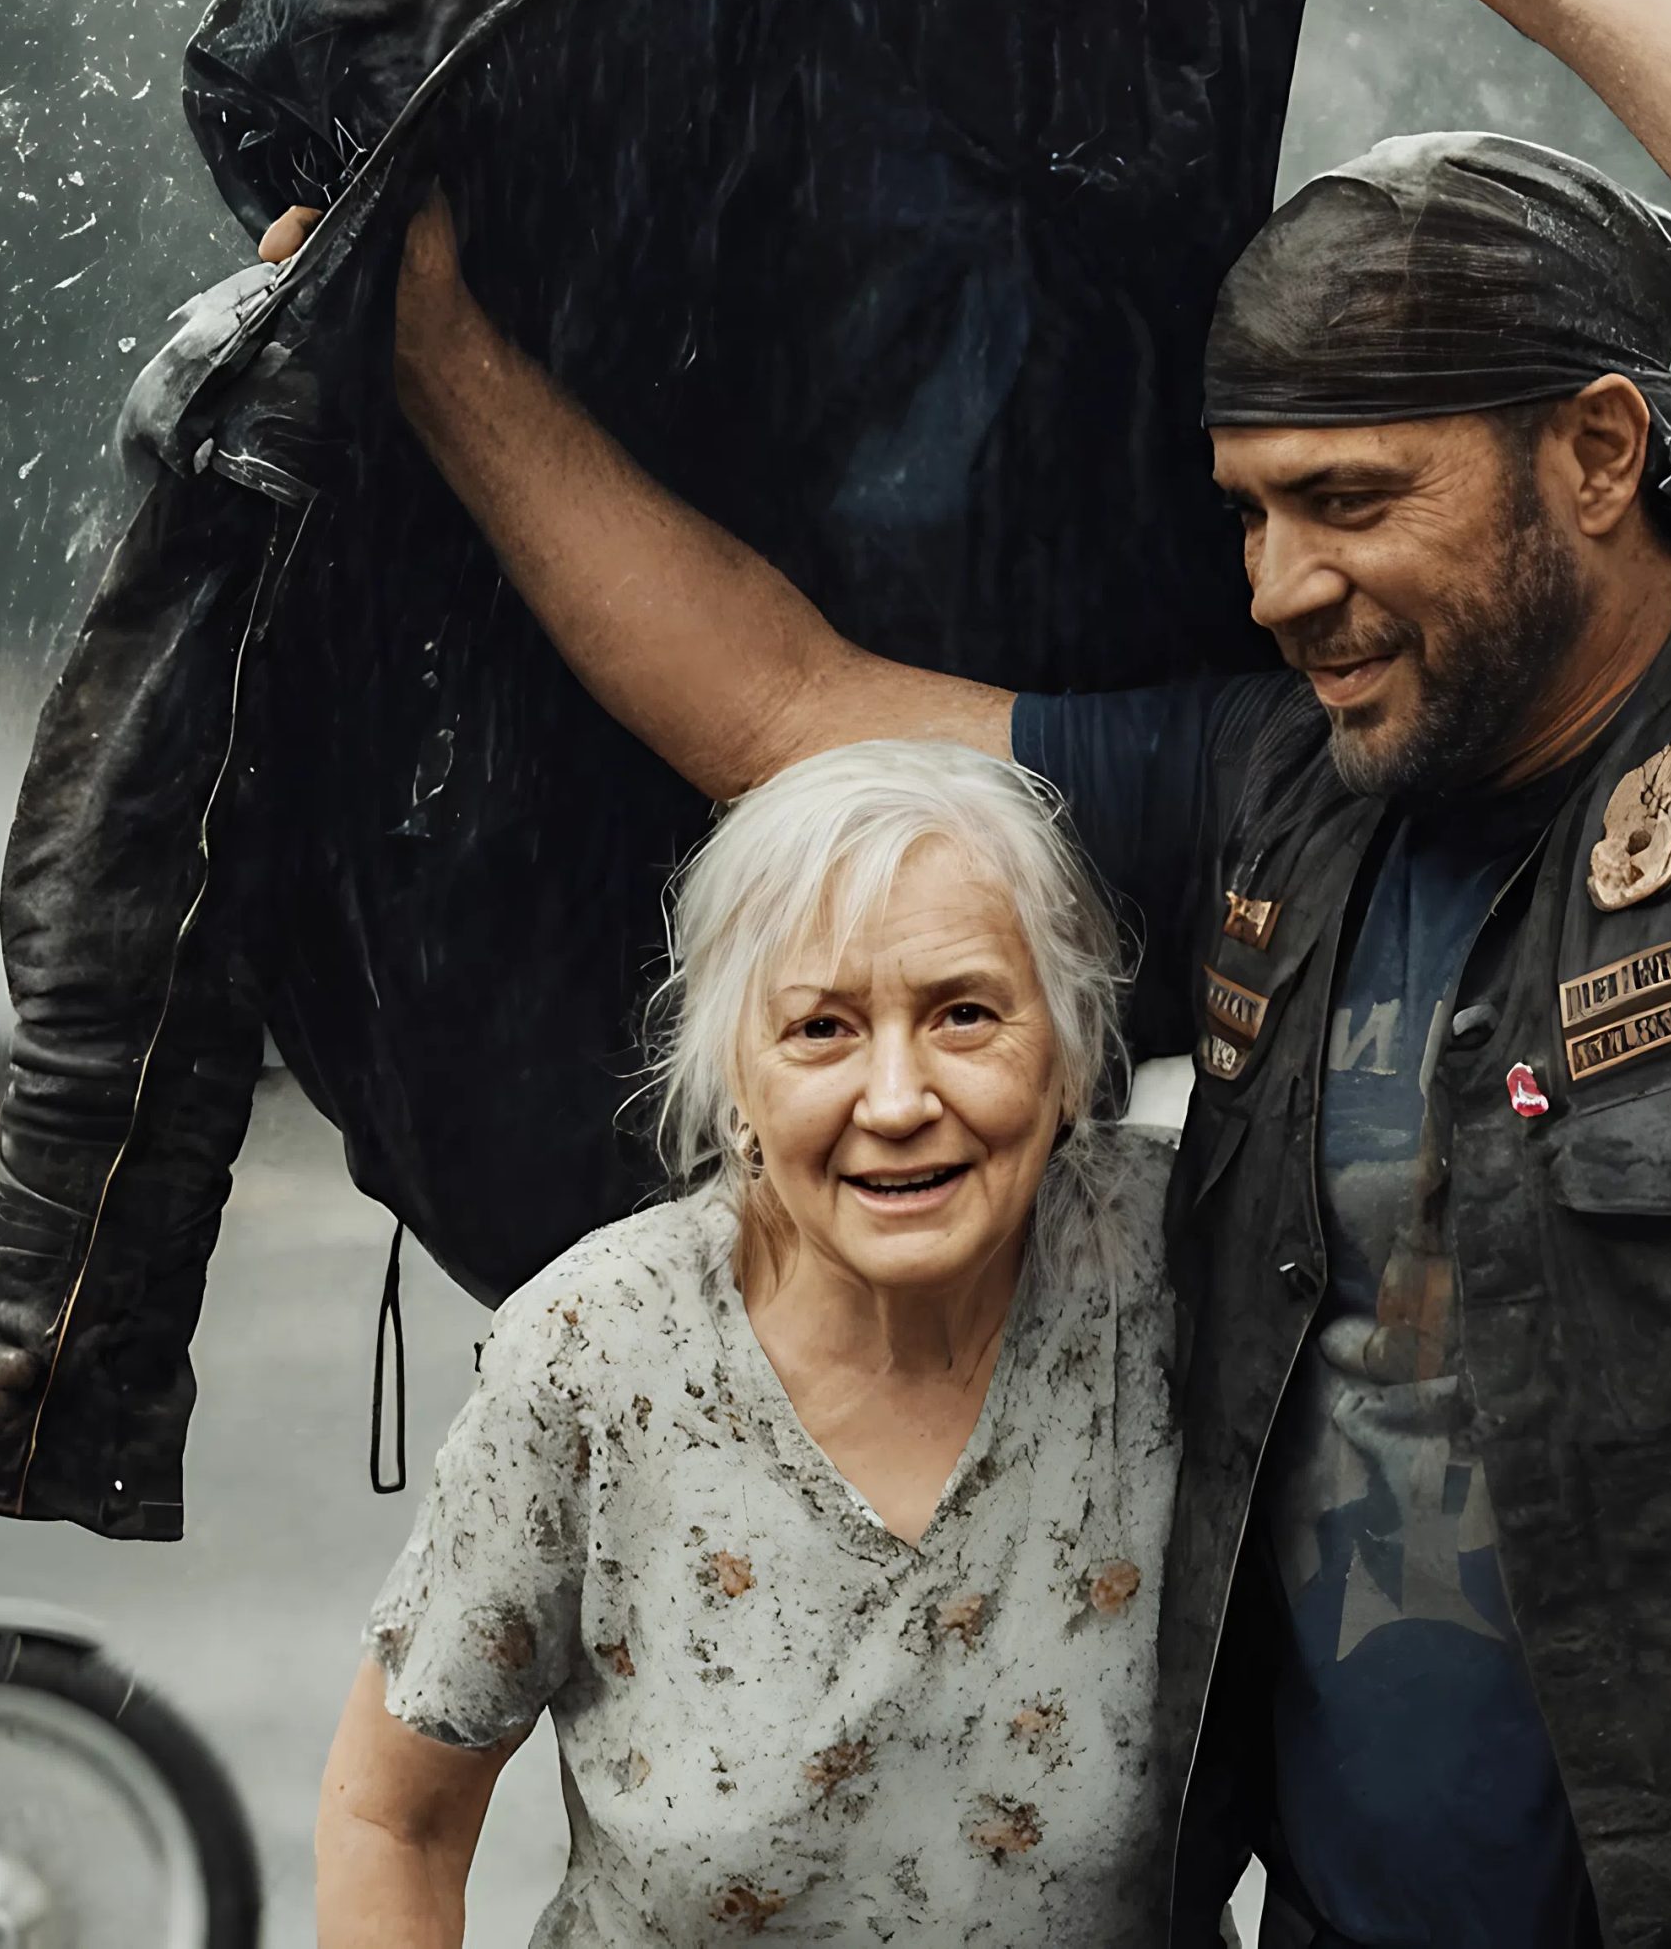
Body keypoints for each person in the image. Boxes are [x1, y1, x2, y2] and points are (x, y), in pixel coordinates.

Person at [271, 0, 1671, 1940]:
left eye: (1345, 498)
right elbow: (785, 708)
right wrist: (422, 341)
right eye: (1245, 512)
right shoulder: (1286, 789)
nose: (1277, 586)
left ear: (1601, 455)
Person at [312, 740, 1180, 1946]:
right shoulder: (595, 1358)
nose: (893, 1100)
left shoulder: (1180, 1270)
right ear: (733, 1077)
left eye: (965, 1014)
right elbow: (390, 1823)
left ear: (1072, 1049)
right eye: (821, 1030)